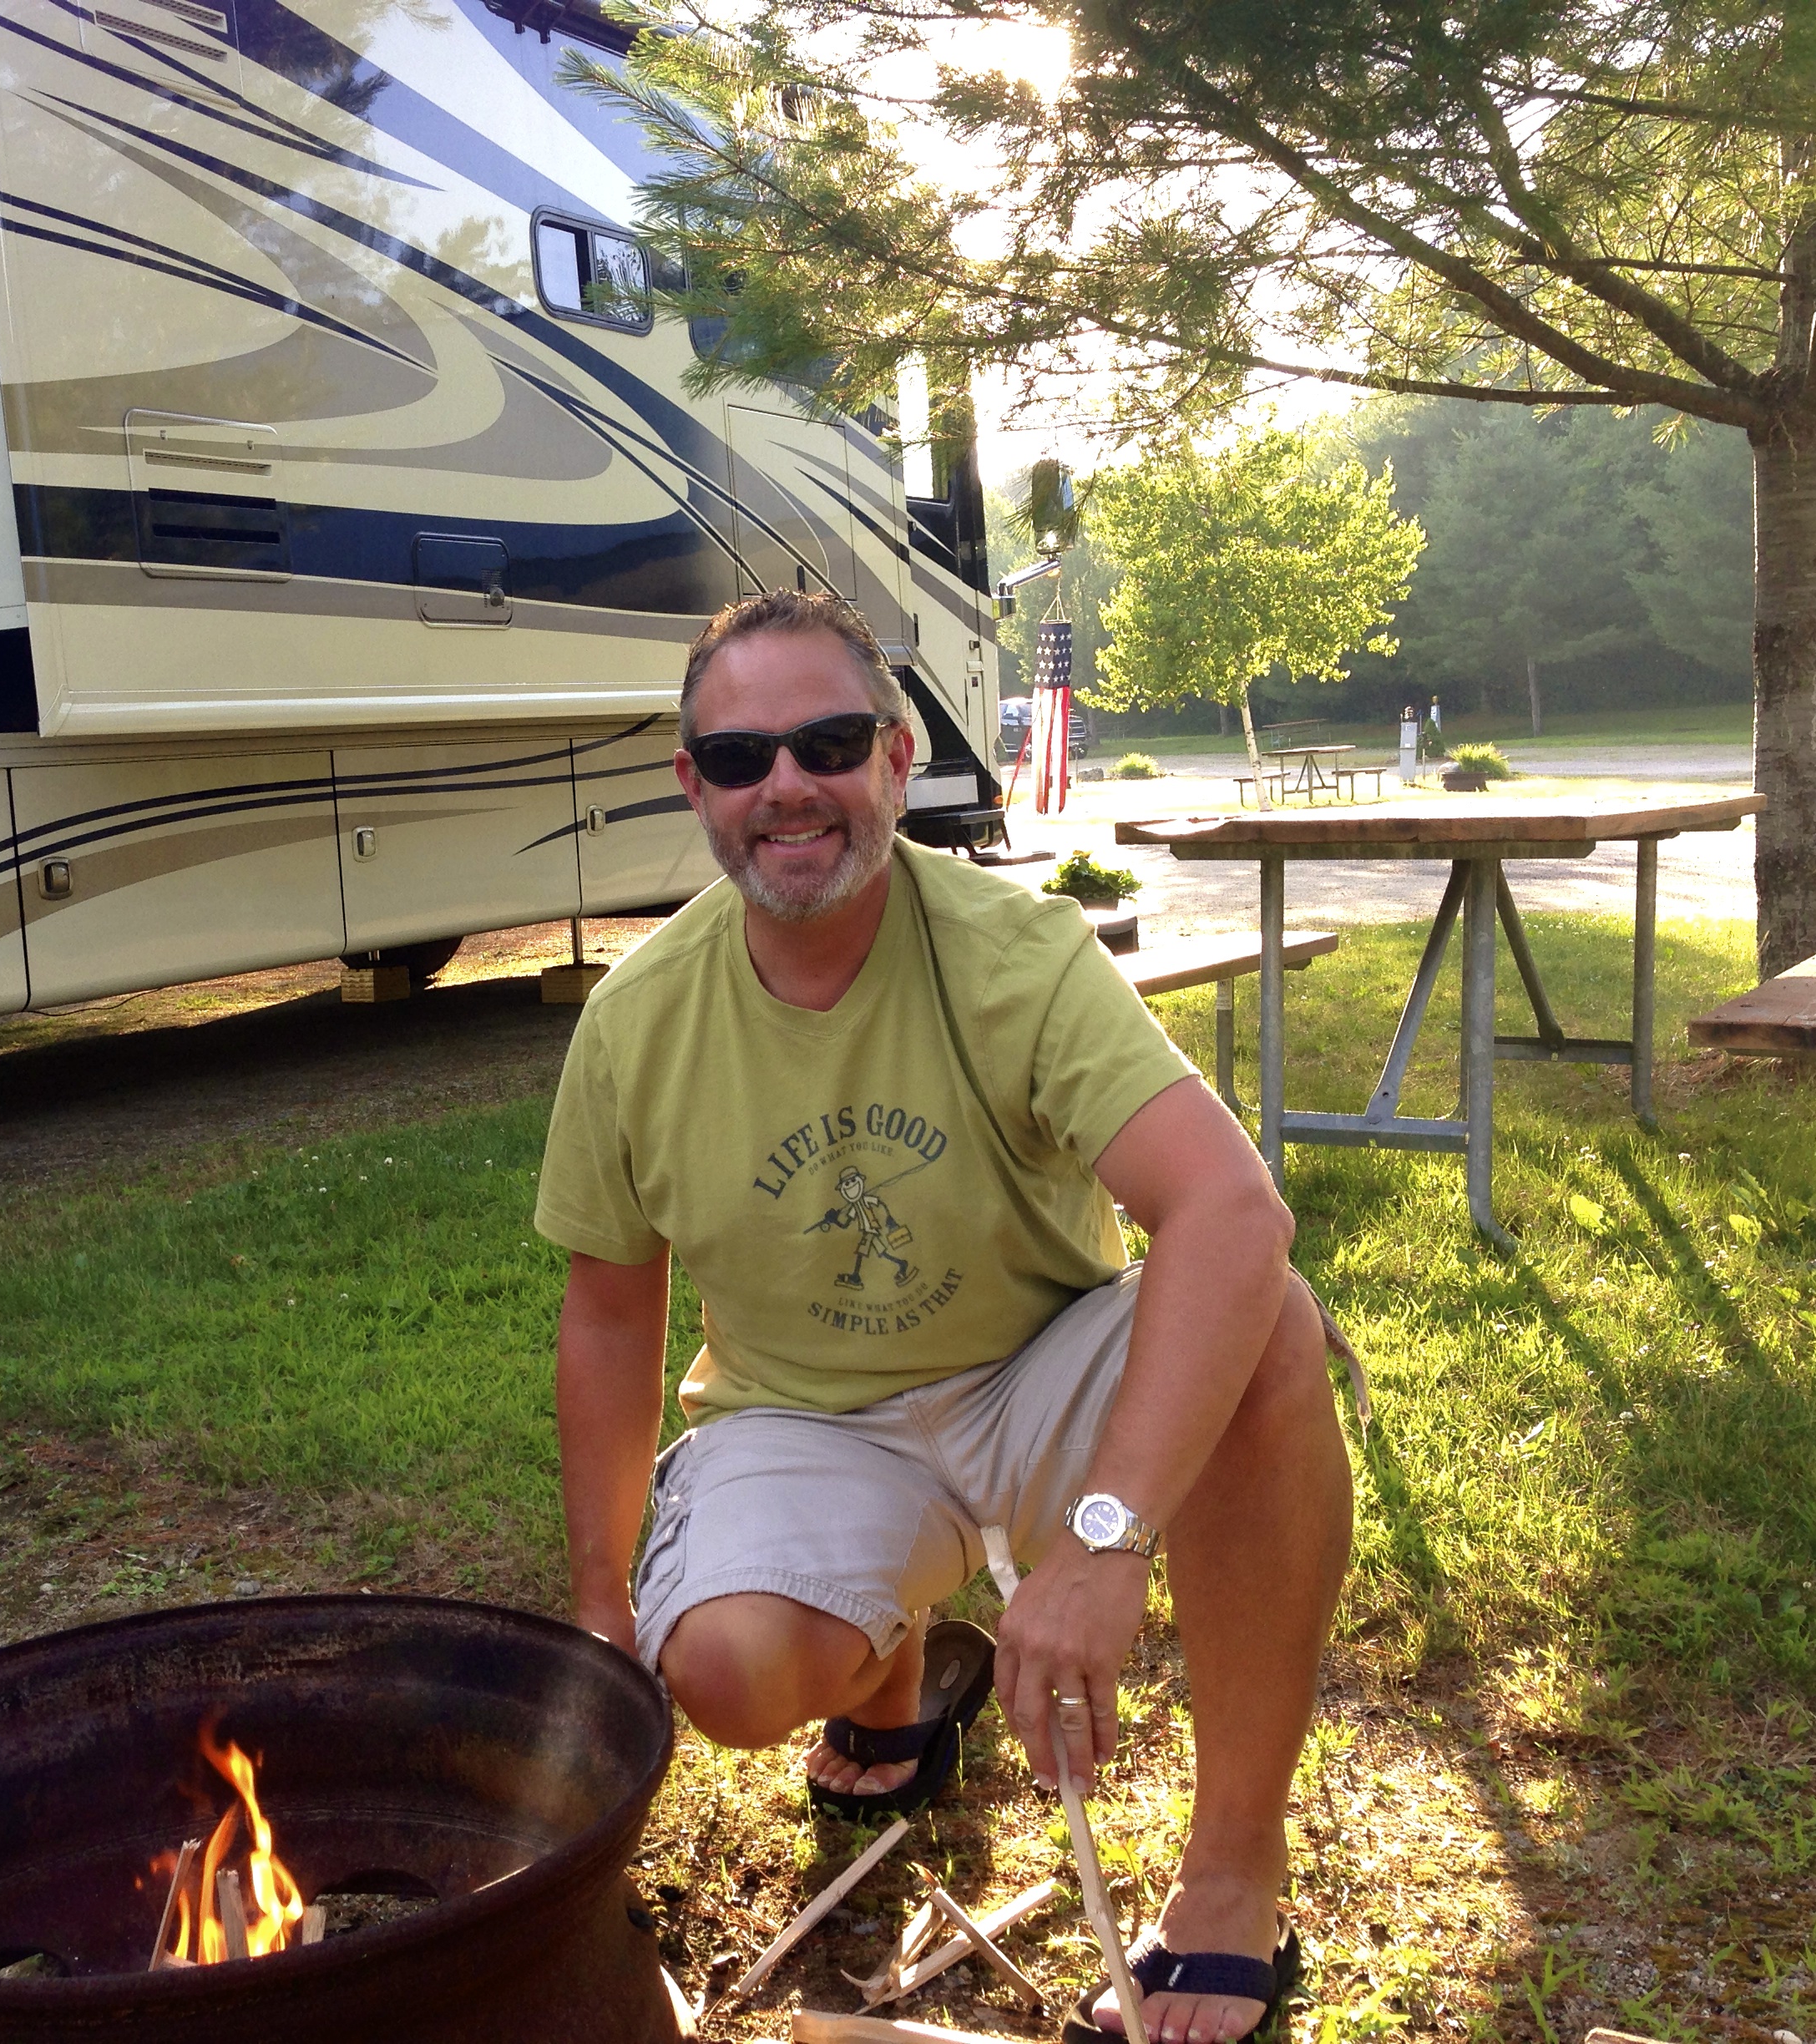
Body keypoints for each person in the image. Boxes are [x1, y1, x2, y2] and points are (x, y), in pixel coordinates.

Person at [537, 591, 1353, 2044]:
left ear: (899, 757)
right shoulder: (637, 1018)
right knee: (725, 1672)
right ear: (693, 787)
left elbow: (1231, 1212)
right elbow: (609, 1311)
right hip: (810, 1419)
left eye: (828, 742)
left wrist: (1104, 1543)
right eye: (738, 757)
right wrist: (604, 1607)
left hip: (1038, 1376)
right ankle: (894, 1655)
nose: (786, 785)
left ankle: (1233, 1874)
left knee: (1270, 1329)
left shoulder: (1017, 953)